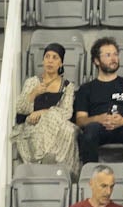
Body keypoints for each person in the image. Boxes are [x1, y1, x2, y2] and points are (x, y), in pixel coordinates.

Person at [75, 37, 123, 165]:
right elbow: (80, 120)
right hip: (98, 128)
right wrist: (98, 118)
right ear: (96, 61)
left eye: (115, 54)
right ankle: (90, 174)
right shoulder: (86, 89)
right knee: (89, 132)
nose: (114, 58)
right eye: (108, 55)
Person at [13, 42, 79, 174]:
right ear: (43, 60)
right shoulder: (32, 82)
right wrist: (34, 93)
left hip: (57, 127)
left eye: (55, 57)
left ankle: (64, 171)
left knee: (69, 130)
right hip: (33, 125)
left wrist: (43, 112)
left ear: (61, 63)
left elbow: (66, 112)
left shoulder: (67, 86)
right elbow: (20, 108)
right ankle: (45, 160)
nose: (50, 61)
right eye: (47, 57)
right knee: (55, 125)